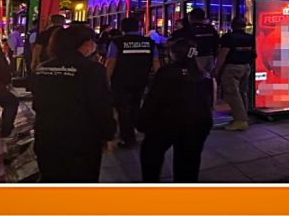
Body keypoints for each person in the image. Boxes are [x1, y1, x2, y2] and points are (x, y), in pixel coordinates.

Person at [31, 25, 116, 182]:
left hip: (47, 135)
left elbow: (37, 104)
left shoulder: (43, 68)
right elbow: (101, 106)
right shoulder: (93, 69)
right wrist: (108, 133)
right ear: (86, 44)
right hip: (82, 139)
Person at [137, 38, 214, 182]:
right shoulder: (203, 75)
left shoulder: (166, 73)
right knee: (189, 162)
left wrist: (142, 122)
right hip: (197, 125)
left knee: (151, 154)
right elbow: (209, 103)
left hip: (167, 124)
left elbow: (153, 99)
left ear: (173, 54)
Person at [105, 17, 160, 147]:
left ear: (122, 28)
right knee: (136, 105)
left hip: (120, 81)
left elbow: (111, 63)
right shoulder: (149, 43)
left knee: (122, 109)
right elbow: (156, 63)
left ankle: (128, 138)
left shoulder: (117, 43)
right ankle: (135, 128)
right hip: (141, 80)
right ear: (139, 27)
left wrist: (105, 80)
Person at [214, 16, 255, 131]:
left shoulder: (228, 37)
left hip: (232, 67)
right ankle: (243, 116)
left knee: (232, 94)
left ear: (232, 25)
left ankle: (240, 120)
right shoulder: (250, 37)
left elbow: (223, 54)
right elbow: (254, 53)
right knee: (242, 93)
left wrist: (217, 70)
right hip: (246, 67)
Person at [170, 9, 219, 76]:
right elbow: (217, 43)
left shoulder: (188, 30)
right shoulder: (211, 29)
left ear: (190, 17)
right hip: (210, 57)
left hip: (194, 58)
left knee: (195, 77)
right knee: (208, 77)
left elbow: (177, 43)